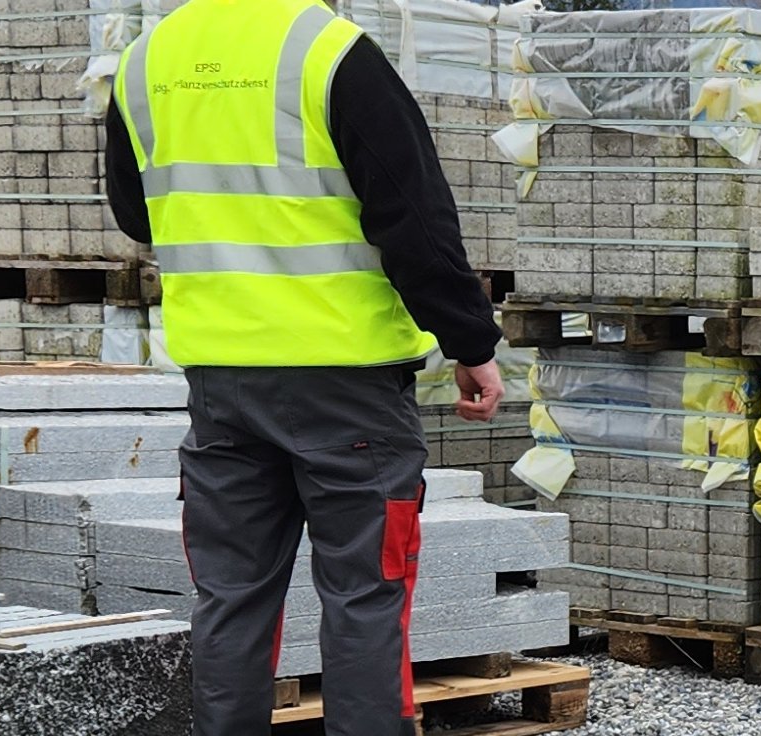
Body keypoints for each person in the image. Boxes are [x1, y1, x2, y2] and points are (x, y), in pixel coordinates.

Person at [98, 1, 506, 733]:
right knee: (365, 594)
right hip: (345, 382)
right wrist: (469, 342)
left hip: (220, 382)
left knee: (231, 597)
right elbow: (412, 215)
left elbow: (137, 214)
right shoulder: (331, 51)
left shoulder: (145, 60)